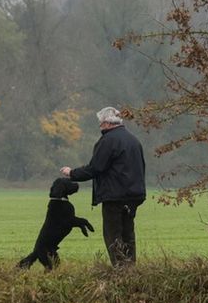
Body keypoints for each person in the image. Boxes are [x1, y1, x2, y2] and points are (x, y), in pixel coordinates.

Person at [61, 107, 146, 265]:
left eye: (101, 123)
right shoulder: (133, 140)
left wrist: (72, 173)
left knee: (113, 234)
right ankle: (131, 269)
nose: (100, 126)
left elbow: (96, 168)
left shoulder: (108, 141)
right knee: (128, 234)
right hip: (134, 195)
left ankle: (120, 270)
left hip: (114, 196)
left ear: (107, 123)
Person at [16, 177, 94, 270]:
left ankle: (20, 270)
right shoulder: (58, 205)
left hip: (48, 247)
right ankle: (22, 271)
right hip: (45, 249)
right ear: (63, 189)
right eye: (69, 184)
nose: (75, 185)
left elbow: (69, 221)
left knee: (54, 267)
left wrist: (81, 225)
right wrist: (84, 222)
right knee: (51, 268)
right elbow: (68, 222)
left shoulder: (58, 204)